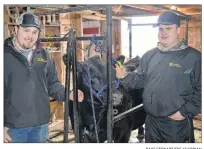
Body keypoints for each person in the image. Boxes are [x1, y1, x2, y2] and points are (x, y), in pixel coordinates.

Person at [116, 11, 201, 143]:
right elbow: (140, 79)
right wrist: (124, 76)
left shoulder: (193, 57)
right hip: (151, 121)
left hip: (176, 124)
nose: (163, 32)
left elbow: (200, 89)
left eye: (168, 28)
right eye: (161, 29)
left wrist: (184, 112)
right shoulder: (150, 55)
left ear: (178, 30)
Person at [4, 12, 84, 143]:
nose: (30, 36)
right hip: (13, 129)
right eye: (26, 30)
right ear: (16, 29)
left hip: (40, 126)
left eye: (35, 32)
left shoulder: (45, 55)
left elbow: (53, 84)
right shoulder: (4, 56)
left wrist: (69, 94)